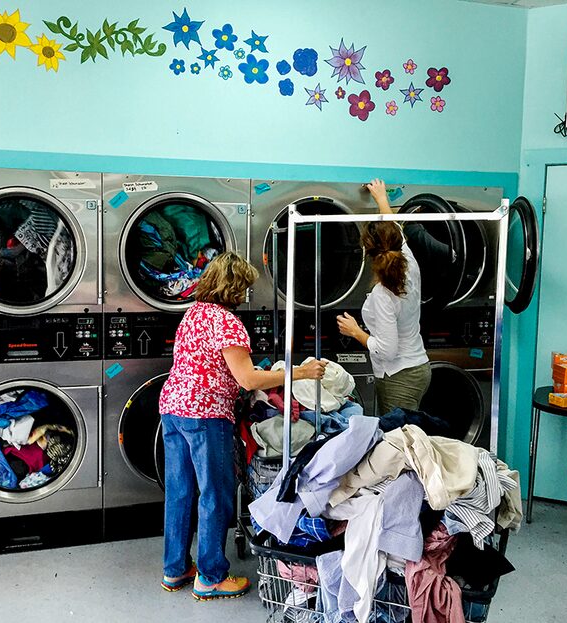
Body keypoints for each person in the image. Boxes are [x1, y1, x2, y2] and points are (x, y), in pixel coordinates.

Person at [158, 251, 327, 600]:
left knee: (180, 492)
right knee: (215, 494)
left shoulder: (192, 313)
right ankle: (211, 577)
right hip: (205, 415)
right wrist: (301, 373)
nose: (245, 294)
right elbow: (248, 379)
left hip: (173, 408)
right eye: (244, 287)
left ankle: (175, 570)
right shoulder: (228, 323)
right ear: (234, 287)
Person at [336, 179, 431, 416]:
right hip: (417, 366)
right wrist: (381, 200)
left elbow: (387, 351)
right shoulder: (409, 264)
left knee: (400, 442)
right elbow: (395, 230)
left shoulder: (383, 295)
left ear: (368, 252)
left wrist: (355, 331)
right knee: (408, 436)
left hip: (399, 375)